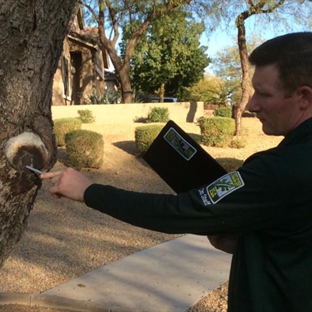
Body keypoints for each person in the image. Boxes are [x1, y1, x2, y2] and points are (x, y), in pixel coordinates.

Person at [41, 32, 312, 311]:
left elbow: (179, 211)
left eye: (263, 94)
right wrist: (249, 242)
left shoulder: (282, 169)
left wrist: (89, 191)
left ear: (303, 96)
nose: (252, 105)